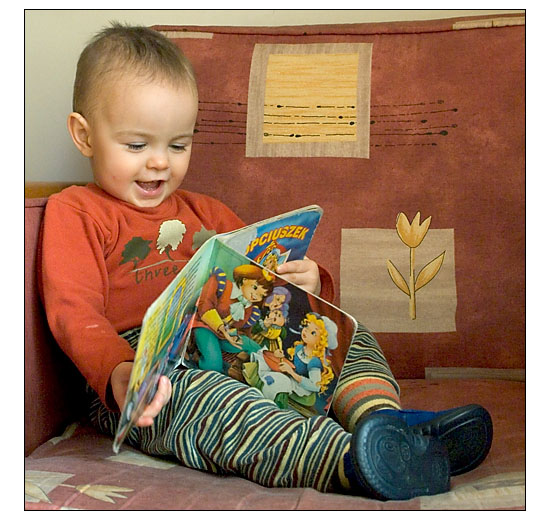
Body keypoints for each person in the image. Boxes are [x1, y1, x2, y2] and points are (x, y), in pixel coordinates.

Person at [38, 23, 492, 501]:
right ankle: (347, 460)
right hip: (146, 371)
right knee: (214, 405)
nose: (160, 163)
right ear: (84, 135)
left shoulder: (208, 213)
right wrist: (119, 371)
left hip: (237, 339)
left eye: (178, 145)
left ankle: (386, 424)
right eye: (137, 145)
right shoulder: (77, 211)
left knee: (342, 335)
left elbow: (266, 286)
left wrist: (307, 283)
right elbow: (74, 314)